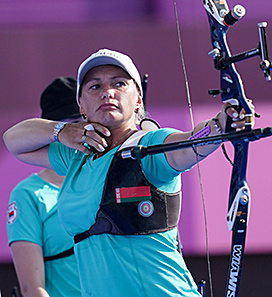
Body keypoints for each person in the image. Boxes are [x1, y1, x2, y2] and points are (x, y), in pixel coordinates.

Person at [3, 49, 253, 297]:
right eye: (94, 87)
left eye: (119, 84)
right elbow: (14, 141)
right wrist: (61, 131)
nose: (107, 92)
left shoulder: (148, 147)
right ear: (81, 105)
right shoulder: (76, 156)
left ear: (138, 100)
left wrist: (221, 125)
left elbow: (190, 143)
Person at [6, 77, 82, 297]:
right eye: (70, 125)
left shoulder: (103, 178)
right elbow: (32, 288)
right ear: (50, 131)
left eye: (84, 122)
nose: (82, 133)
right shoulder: (28, 195)